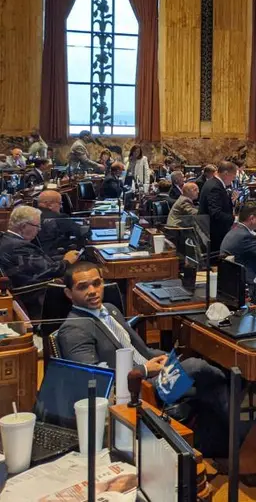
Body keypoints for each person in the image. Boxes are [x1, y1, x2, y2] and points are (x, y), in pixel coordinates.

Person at [56, 262, 230, 456]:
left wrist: (161, 358)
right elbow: (94, 380)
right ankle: (235, 434)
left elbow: (141, 349)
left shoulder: (110, 309)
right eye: (83, 287)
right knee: (198, 367)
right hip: (136, 390)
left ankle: (222, 441)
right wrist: (145, 369)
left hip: (152, 375)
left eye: (97, 283)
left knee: (209, 378)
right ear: (69, 294)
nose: (92, 291)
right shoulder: (74, 329)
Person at [0, 206, 79, 291]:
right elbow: (48, 271)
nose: (39, 229)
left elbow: (36, 263)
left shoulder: (6, 239)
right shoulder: (19, 246)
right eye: (37, 226)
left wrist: (63, 257)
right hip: (35, 294)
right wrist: (67, 262)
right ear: (23, 226)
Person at [199, 161, 237, 254]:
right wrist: (235, 219)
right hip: (215, 234)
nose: (233, 179)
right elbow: (215, 213)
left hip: (213, 231)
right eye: (233, 176)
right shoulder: (215, 187)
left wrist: (230, 201)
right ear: (226, 173)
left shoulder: (212, 183)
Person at [36, 190, 86, 255]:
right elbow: (80, 231)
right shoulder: (59, 218)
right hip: (56, 255)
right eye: (60, 203)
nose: (61, 206)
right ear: (50, 205)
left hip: (38, 255)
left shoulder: (31, 215)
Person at [167, 183, 209, 248]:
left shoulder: (183, 199)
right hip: (177, 229)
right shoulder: (184, 200)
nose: (198, 192)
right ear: (187, 191)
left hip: (180, 228)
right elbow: (194, 213)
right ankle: (206, 248)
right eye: (195, 190)